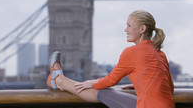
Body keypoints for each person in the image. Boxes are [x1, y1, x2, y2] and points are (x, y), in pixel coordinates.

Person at [47, 10, 175, 108]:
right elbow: (169, 87)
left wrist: (92, 82)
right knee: (106, 90)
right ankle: (59, 80)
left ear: (142, 29)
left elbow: (111, 80)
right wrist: (139, 83)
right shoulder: (160, 53)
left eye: (129, 26)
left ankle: (59, 80)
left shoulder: (132, 52)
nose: (125, 29)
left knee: (104, 91)